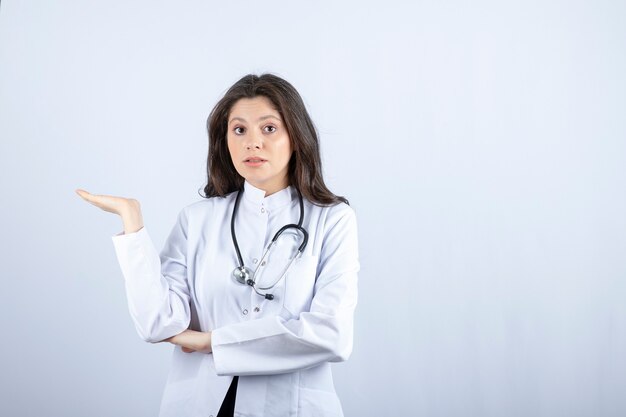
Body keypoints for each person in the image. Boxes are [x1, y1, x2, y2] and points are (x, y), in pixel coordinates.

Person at [76, 73, 359, 417]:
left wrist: (209, 342)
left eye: (268, 128)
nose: (252, 143)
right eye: (239, 130)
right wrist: (132, 225)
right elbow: (158, 323)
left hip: (290, 406)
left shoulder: (332, 220)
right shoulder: (197, 220)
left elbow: (331, 334)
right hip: (201, 404)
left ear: (296, 137)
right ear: (224, 140)